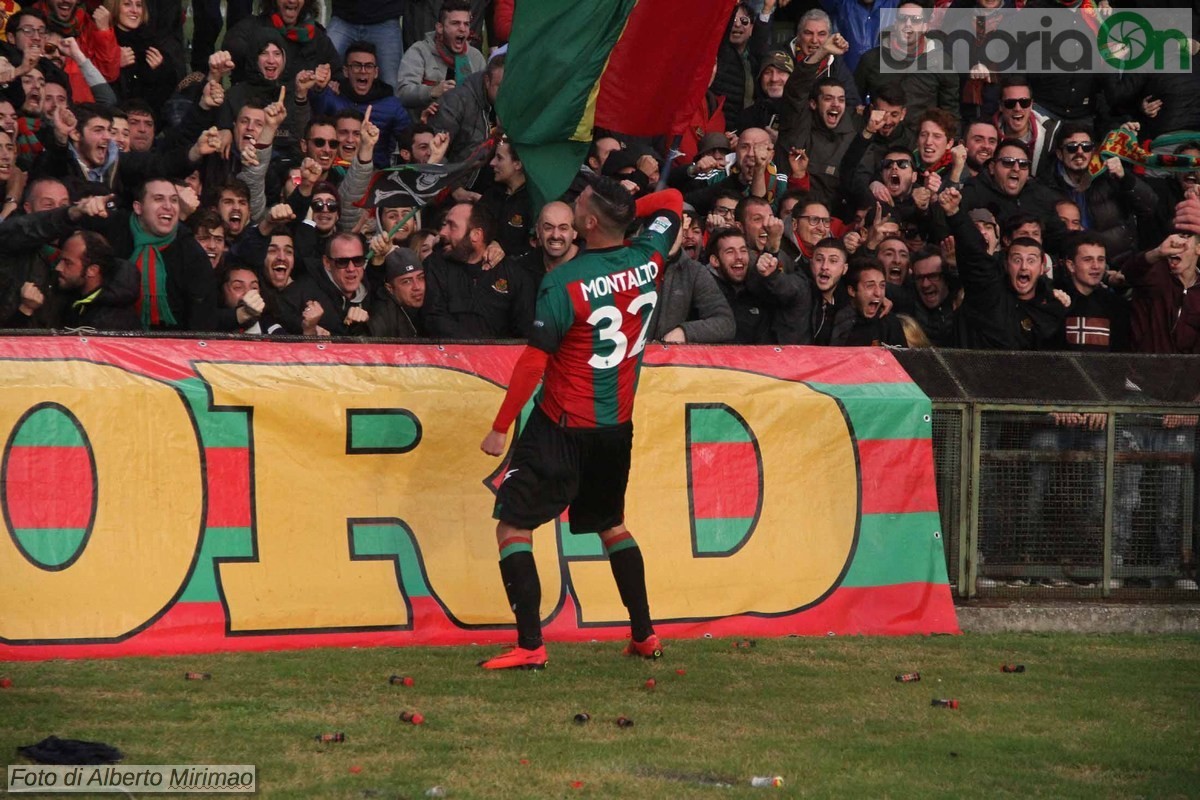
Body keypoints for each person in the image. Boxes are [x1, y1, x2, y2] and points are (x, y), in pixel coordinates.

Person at [475, 178, 682, 670]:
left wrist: (501, 426)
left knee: (513, 527)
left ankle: (530, 645)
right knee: (611, 523)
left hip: (561, 424)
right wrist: (628, 213)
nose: (574, 203)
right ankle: (645, 635)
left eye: (581, 204)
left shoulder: (565, 281)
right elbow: (672, 203)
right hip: (616, 426)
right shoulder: (649, 255)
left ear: (588, 225)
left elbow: (533, 363)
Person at [422, 201, 534, 339]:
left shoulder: (514, 275)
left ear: (476, 234)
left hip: (499, 358)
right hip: (447, 356)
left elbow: (525, 330)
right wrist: (474, 348)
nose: (442, 232)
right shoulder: (434, 265)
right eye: (445, 225)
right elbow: (434, 318)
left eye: (452, 226)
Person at [395, 0, 484, 115]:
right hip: (426, 128)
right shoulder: (419, 51)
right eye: (455, 23)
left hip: (466, 126)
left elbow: (485, 98)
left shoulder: (476, 57)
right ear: (440, 28)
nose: (462, 29)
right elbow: (402, 94)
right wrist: (432, 91)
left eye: (466, 24)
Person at [368, 246, 425, 338]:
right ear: (390, 288)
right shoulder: (382, 317)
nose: (417, 287)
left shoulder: (432, 305)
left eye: (420, 278)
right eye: (407, 281)